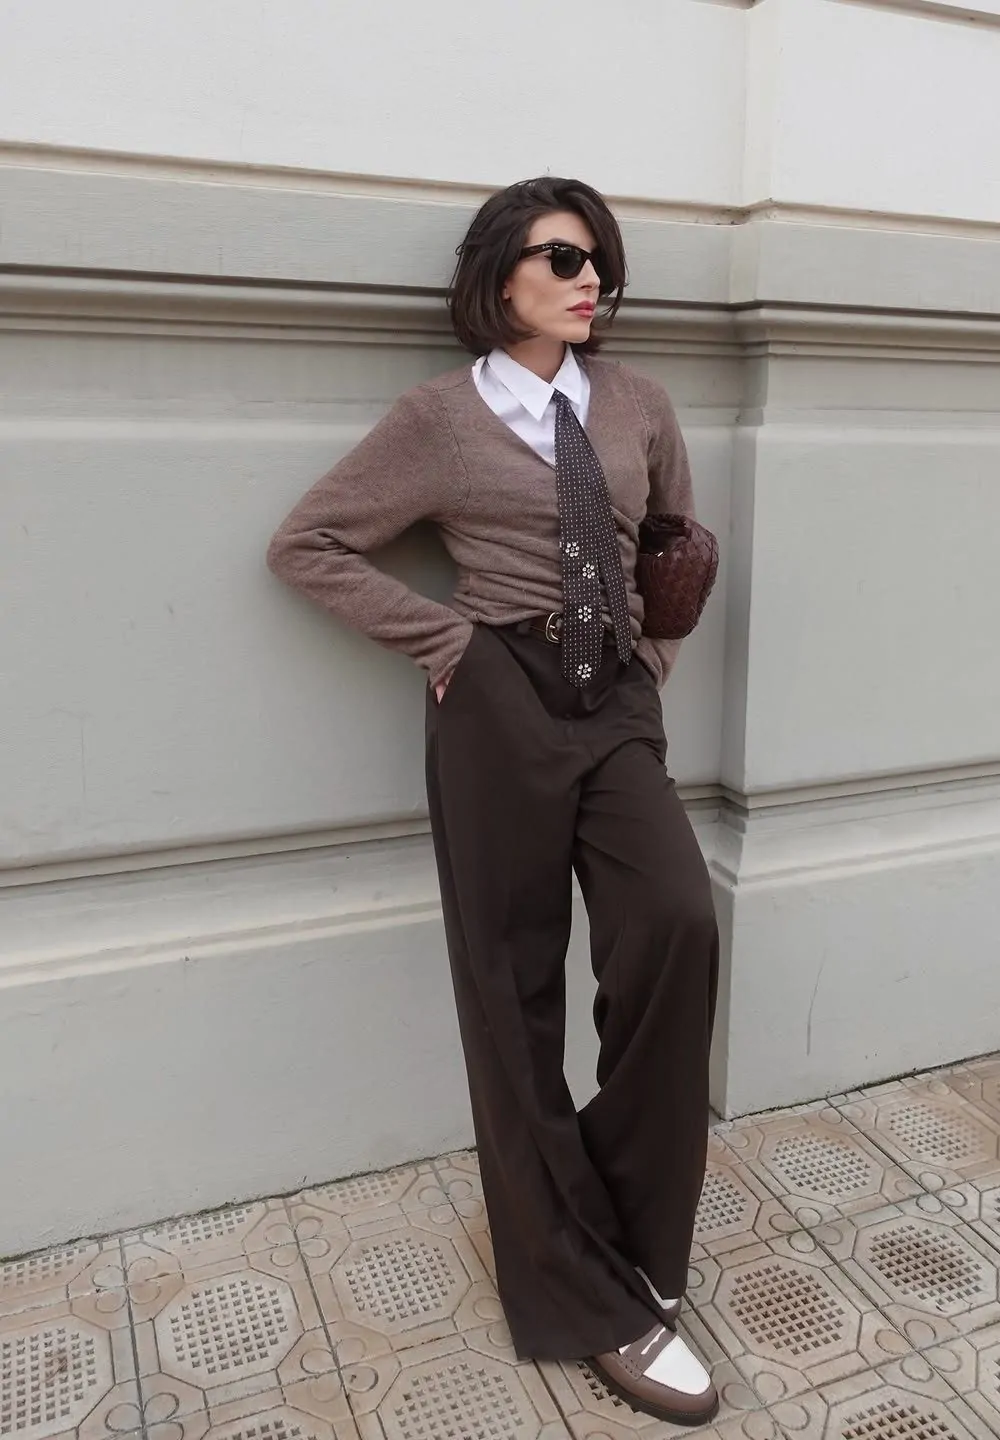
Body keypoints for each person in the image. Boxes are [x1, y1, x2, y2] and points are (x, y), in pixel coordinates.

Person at [266, 176, 719, 1425]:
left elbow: (674, 542)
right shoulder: (437, 418)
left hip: (612, 699)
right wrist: (447, 643)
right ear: (497, 275)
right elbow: (307, 544)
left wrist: (649, 663)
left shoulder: (636, 402)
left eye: (599, 261)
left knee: (676, 923)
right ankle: (585, 1298)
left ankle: (627, 1229)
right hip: (497, 698)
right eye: (563, 258)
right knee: (510, 994)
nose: (590, 280)